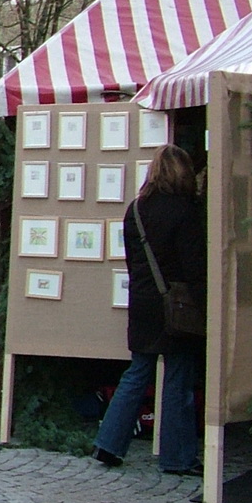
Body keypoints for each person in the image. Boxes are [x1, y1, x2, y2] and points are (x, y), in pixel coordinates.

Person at [92, 144, 206, 476]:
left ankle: (108, 443)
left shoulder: (137, 209)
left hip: (142, 302)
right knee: (177, 380)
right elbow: (193, 266)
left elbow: (133, 260)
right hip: (176, 306)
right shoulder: (184, 211)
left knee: (137, 372)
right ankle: (178, 457)